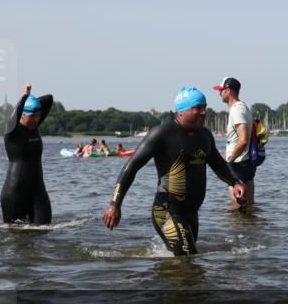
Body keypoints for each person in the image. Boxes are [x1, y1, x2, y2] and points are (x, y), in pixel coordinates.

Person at [102, 87, 245, 256]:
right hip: (167, 210)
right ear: (182, 111)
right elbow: (131, 167)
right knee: (187, 258)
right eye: (198, 108)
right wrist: (114, 205)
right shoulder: (162, 134)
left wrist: (234, 182)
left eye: (204, 107)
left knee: (188, 262)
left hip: (191, 213)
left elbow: (218, 164)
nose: (203, 112)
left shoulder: (205, 135)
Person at [1, 83, 54, 224]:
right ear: (22, 116)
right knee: (15, 238)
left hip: (38, 192)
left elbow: (49, 99)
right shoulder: (11, 132)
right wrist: (25, 96)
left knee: (45, 230)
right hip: (14, 193)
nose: (36, 120)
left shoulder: (34, 127)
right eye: (32, 116)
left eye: (38, 116)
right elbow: (15, 114)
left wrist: (32, 100)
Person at [214, 77, 256, 209]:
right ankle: (248, 228)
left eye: (221, 90)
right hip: (246, 162)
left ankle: (238, 229)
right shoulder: (243, 107)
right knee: (248, 207)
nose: (219, 93)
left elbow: (243, 140)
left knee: (237, 209)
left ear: (228, 90)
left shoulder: (237, 110)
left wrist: (229, 160)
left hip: (238, 165)